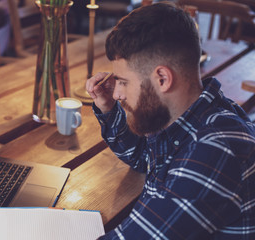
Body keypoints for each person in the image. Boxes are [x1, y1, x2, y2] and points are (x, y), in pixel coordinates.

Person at [86, 2, 255, 239]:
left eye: (123, 82)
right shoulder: (193, 115)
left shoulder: (214, 150)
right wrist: (108, 109)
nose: (117, 93)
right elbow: (142, 158)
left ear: (163, 79)